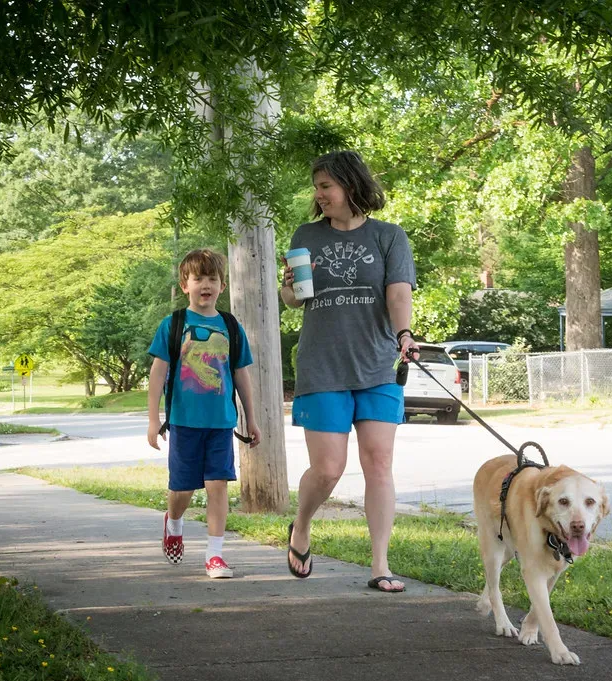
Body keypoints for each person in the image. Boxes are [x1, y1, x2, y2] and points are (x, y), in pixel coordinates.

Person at [281, 150, 419, 593]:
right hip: (322, 366)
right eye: (317, 187)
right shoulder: (307, 234)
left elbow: (398, 293)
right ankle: (301, 526)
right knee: (328, 469)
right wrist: (288, 289)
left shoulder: (388, 236)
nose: (319, 195)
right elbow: (295, 299)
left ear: (350, 185)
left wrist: (405, 335)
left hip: (378, 363)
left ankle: (380, 564)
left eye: (326, 186)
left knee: (379, 464)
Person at [147, 248, 261, 579]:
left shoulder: (230, 326)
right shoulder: (173, 325)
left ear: (222, 286)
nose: (206, 285)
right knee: (182, 490)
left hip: (221, 423)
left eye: (213, 278)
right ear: (186, 285)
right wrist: (154, 419)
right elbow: (158, 373)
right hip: (184, 423)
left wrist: (250, 419)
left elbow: (241, 374)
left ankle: (214, 555)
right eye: (199, 279)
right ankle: (175, 522)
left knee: (217, 486)